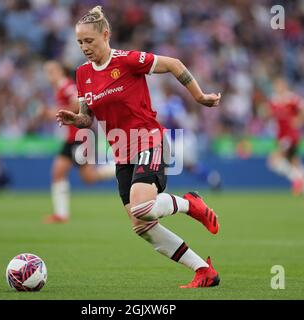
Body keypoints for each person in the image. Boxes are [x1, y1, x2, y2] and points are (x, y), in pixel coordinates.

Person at [55, 6, 222, 288]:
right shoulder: (82, 74)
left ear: (105, 35)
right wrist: (78, 119)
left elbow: (174, 64)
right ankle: (203, 270)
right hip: (121, 151)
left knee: (143, 207)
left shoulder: (128, 60)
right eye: (80, 42)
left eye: (89, 41)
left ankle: (189, 204)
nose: (84, 47)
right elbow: (88, 117)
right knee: (141, 226)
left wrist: (200, 96)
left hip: (149, 140)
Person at [42, 61, 115, 223]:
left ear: (61, 71)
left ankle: (120, 167)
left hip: (82, 136)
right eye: (47, 72)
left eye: (52, 71)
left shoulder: (67, 86)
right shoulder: (60, 88)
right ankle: (61, 215)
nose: (49, 75)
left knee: (87, 177)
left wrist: (54, 112)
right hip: (73, 138)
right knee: (61, 173)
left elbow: (79, 104)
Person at [156, 82, 222, 191]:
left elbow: (179, 120)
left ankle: (212, 179)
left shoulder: (174, 102)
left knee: (190, 166)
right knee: (162, 161)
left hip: (181, 139)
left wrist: (165, 120)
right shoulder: (166, 103)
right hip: (173, 140)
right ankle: (161, 187)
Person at [266, 77, 304, 207]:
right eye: (276, 85)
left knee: (273, 160)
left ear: (285, 86)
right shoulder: (273, 101)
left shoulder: (292, 99)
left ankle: (297, 179)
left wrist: (300, 120)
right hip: (281, 137)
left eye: (281, 85)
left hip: (291, 136)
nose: (279, 88)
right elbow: (269, 115)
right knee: (296, 163)